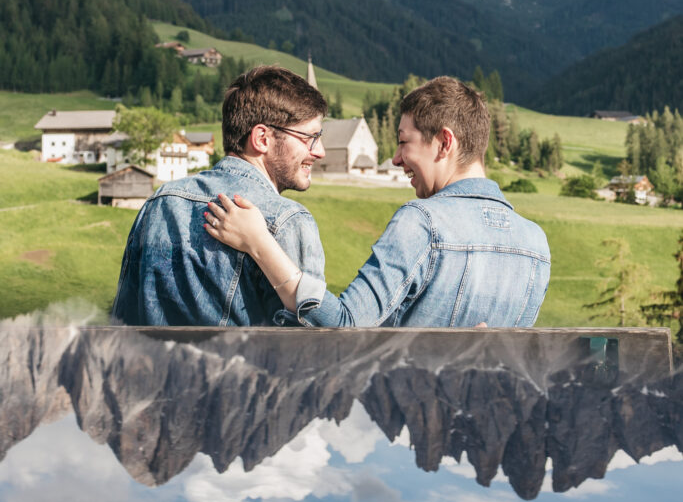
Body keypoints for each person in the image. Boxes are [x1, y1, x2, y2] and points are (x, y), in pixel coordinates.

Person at [205, 76, 551, 328]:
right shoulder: (536, 243)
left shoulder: (423, 222)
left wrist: (260, 242)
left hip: (402, 424)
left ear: (445, 143)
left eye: (404, 142)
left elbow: (345, 326)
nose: (397, 159)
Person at [112, 66, 327, 326]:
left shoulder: (160, 202)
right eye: (310, 138)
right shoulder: (288, 220)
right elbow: (312, 344)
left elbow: (123, 322)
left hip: (157, 367)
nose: (320, 151)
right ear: (262, 138)